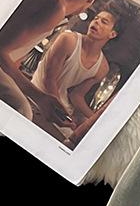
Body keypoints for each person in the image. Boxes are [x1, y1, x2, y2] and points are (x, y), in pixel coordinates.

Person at [30, 8, 124, 142]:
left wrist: (95, 119)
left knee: (73, 140)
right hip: (37, 96)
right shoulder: (68, 40)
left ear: (112, 34)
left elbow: (76, 96)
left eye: (104, 22)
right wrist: (62, 112)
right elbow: (49, 79)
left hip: (61, 106)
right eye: (96, 18)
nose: (96, 22)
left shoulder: (102, 68)